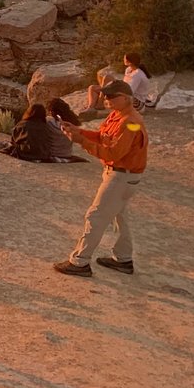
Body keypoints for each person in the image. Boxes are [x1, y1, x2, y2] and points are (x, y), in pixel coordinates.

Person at [53, 80, 148, 276]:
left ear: (125, 98)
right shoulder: (118, 116)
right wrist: (80, 131)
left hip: (121, 177)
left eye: (111, 96)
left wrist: (81, 141)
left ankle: (80, 262)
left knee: (95, 216)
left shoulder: (131, 123)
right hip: (122, 176)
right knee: (119, 217)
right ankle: (123, 259)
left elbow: (113, 153)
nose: (106, 99)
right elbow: (104, 136)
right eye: (105, 95)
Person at [84, 52, 152, 116]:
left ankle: (100, 104)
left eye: (125, 58)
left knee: (108, 78)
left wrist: (111, 90)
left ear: (129, 61)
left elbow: (130, 91)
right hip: (125, 93)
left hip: (136, 103)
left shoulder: (137, 74)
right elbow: (125, 85)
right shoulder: (128, 69)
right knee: (92, 87)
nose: (123, 59)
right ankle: (90, 108)